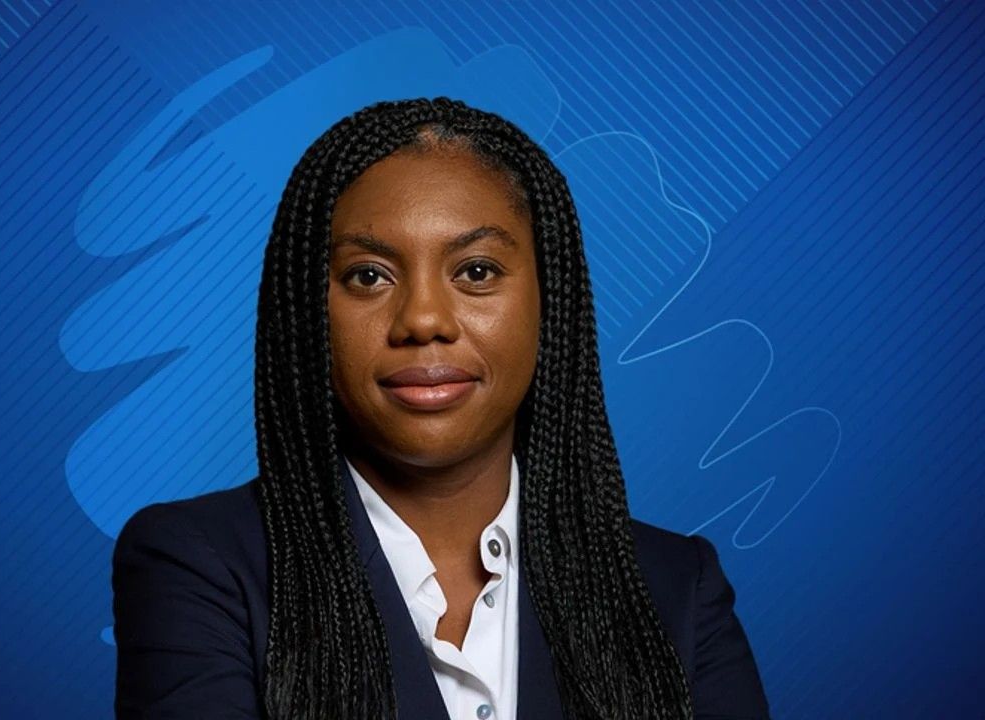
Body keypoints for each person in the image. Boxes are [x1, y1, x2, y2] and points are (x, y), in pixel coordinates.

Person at [112, 97, 770, 720]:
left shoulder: (676, 586)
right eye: (368, 275)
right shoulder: (199, 565)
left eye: (477, 271)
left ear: (550, 300)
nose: (423, 319)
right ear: (307, 310)